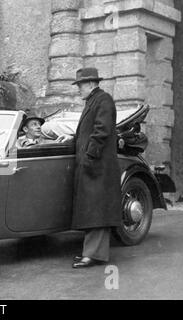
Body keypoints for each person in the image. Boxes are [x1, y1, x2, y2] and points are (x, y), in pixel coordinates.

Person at [58, 68, 122, 268]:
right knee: (92, 209)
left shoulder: (103, 100)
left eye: (80, 85)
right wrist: (71, 139)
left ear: (91, 84)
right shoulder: (95, 101)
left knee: (97, 210)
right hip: (94, 165)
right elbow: (88, 132)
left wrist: (89, 156)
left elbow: (101, 131)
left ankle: (94, 255)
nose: (78, 90)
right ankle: (90, 252)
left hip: (97, 165)